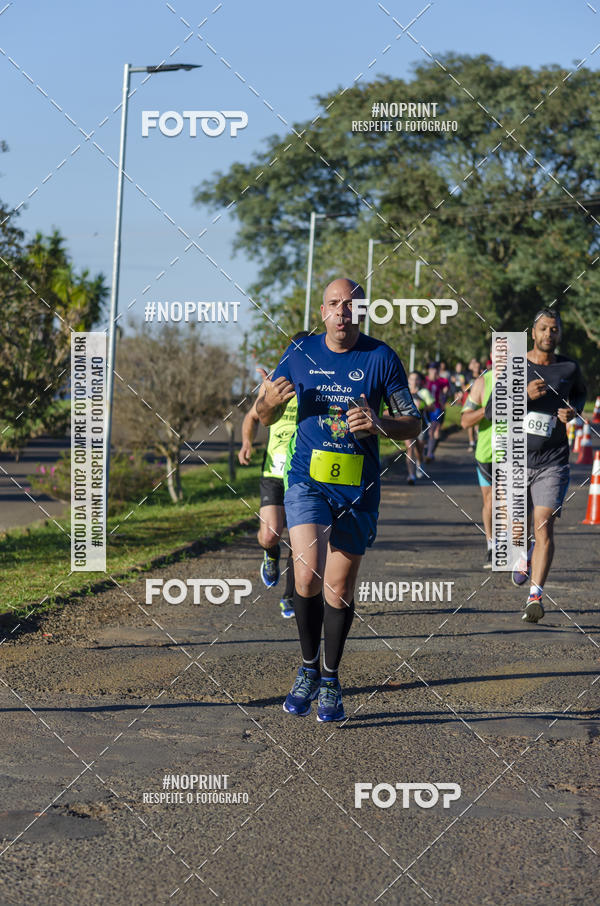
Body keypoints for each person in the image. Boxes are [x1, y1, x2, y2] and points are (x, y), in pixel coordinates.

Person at [256, 278, 421, 721]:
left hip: (358, 487)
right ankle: (307, 668)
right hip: (307, 481)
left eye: (350, 305)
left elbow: (413, 423)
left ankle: (330, 677)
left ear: (362, 311)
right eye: (334, 305)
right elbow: (264, 411)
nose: (342, 313)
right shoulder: (301, 352)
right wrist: (267, 404)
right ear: (322, 310)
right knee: (307, 575)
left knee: (339, 587)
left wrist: (379, 423)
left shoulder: (381, 357)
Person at [512, 308, 586, 623]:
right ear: (533, 331)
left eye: (554, 330)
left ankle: (535, 596)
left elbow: (581, 395)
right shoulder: (517, 366)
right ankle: (522, 554)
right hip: (515, 458)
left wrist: (574, 410)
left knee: (543, 523)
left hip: (553, 460)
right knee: (517, 530)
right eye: (543, 329)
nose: (548, 335)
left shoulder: (570, 367)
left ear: (559, 333)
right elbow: (492, 410)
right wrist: (523, 395)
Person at [238, 332, 309, 618]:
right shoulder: (274, 384)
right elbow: (252, 416)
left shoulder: (319, 383)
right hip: (274, 470)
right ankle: (269, 554)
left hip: (304, 470)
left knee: (301, 538)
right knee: (270, 534)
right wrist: (246, 442)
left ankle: (291, 595)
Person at [460, 363, 495, 568]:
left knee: (515, 502)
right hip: (487, 451)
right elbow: (465, 421)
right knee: (491, 500)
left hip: (518, 450)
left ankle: (514, 547)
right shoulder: (483, 382)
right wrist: (488, 408)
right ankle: (492, 546)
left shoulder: (524, 378)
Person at [406, 371, 434, 484]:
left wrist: (422, 405)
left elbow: (432, 407)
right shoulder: (404, 391)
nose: (414, 381)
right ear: (408, 380)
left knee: (420, 447)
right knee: (410, 447)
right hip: (407, 424)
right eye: (412, 379)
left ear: (419, 381)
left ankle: (419, 461)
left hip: (421, 424)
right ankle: (411, 475)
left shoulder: (424, 392)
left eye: (416, 379)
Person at [424, 362, 450, 460]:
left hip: (436, 408)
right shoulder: (424, 380)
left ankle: (429, 453)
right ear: (428, 370)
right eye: (431, 369)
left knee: (432, 430)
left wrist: (444, 399)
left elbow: (445, 393)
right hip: (425, 408)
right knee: (425, 430)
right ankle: (426, 447)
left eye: (435, 369)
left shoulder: (441, 381)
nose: (433, 371)